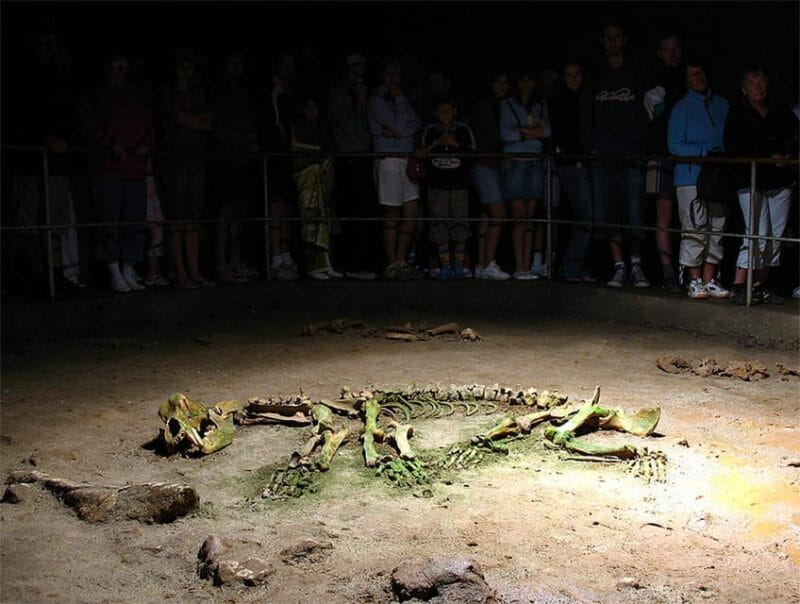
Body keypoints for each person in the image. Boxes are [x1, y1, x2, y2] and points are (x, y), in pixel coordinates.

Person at [580, 21, 651, 288]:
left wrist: (641, 146)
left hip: (632, 157)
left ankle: (637, 266)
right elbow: (584, 115)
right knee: (608, 215)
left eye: (617, 36)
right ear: (602, 41)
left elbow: (647, 112)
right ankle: (619, 267)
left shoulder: (636, 72)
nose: (612, 42)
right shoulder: (595, 74)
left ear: (624, 39)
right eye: (608, 37)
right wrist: (592, 147)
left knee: (636, 214)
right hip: (603, 157)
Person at [724, 67, 799, 305]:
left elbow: (795, 137)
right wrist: (767, 156)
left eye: (762, 82)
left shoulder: (781, 111)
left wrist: (787, 156)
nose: (758, 87)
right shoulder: (737, 114)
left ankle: (760, 284)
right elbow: (734, 146)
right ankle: (739, 284)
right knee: (756, 231)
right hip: (751, 179)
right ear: (744, 89)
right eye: (752, 83)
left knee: (775, 235)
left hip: (779, 181)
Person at [90, 51, 155, 293]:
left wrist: (147, 145)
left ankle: (128, 269)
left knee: (136, 220)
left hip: (135, 168)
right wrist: (109, 145)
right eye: (115, 63)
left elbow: (150, 126)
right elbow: (91, 126)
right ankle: (113, 270)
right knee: (110, 220)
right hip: (110, 167)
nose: (119, 68)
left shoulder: (136, 95)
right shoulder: (98, 93)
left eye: (123, 63)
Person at [667, 58, 730, 299]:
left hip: (718, 177)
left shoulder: (721, 104)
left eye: (701, 72)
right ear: (686, 80)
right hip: (691, 176)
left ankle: (709, 278)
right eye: (693, 74)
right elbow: (674, 144)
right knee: (695, 228)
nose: (698, 77)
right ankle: (693, 278)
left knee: (717, 226)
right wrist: (703, 153)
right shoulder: (681, 108)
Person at [159, 46, 216, 289]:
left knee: (193, 217)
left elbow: (210, 121)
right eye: (181, 66)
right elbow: (176, 117)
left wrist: (190, 120)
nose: (185, 71)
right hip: (175, 158)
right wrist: (196, 120)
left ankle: (194, 270)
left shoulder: (197, 93)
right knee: (177, 216)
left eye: (189, 66)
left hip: (195, 157)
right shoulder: (166, 92)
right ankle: (179, 271)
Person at [325, 52, 379, 280]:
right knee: (351, 212)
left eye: (361, 70)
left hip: (364, 159)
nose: (359, 75)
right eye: (354, 70)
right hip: (347, 159)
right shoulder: (337, 94)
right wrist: (359, 99)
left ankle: (362, 262)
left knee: (365, 212)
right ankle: (351, 264)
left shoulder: (367, 94)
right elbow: (347, 126)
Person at [367, 59, 422, 279]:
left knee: (411, 210)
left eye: (397, 74)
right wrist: (398, 127)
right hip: (388, 160)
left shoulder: (403, 100)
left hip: (407, 159)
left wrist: (399, 130)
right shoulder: (376, 100)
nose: (393, 79)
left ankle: (401, 260)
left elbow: (415, 124)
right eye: (389, 74)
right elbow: (400, 126)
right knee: (392, 212)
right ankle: (391, 263)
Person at [209, 49, 260, 284]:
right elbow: (218, 126)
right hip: (226, 160)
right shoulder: (218, 92)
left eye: (239, 63)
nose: (236, 67)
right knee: (225, 212)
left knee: (239, 213)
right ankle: (221, 264)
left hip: (243, 160)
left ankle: (236, 261)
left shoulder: (244, 93)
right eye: (232, 63)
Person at [499, 65, 551, 280]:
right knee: (519, 217)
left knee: (530, 219)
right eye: (522, 80)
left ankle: (526, 266)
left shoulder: (541, 105)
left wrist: (520, 131)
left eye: (529, 80)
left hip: (535, 164)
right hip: (515, 164)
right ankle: (520, 266)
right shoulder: (507, 104)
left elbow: (546, 131)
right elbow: (506, 134)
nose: (526, 84)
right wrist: (533, 132)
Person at [644, 32, 685, 292]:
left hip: (687, 159)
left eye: (676, 48)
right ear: (659, 54)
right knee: (664, 215)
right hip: (662, 155)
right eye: (666, 49)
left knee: (690, 216)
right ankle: (668, 272)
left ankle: (689, 271)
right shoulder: (655, 81)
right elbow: (653, 115)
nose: (672, 53)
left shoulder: (690, 79)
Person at [421, 96, 476, 279]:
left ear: (455, 112)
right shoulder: (430, 131)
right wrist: (437, 143)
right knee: (439, 226)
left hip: (459, 186)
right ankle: (444, 266)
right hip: (437, 187)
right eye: (441, 111)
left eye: (448, 111)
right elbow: (421, 152)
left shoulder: (463, 130)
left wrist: (456, 144)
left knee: (460, 225)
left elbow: (472, 153)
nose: (445, 115)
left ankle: (458, 266)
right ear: (435, 113)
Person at [551, 59, 596, 283]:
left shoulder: (587, 98)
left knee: (586, 217)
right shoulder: (560, 101)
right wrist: (576, 158)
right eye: (569, 74)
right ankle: (570, 267)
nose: (573, 78)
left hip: (587, 165)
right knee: (587, 217)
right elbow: (563, 134)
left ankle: (578, 266)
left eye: (577, 73)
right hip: (571, 166)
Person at [257, 51, 300, 280]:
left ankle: (285, 254)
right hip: (276, 159)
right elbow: (276, 126)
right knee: (276, 209)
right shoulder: (272, 96)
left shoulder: (289, 95)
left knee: (286, 210)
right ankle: (275, 258)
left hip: (288, 160)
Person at [291, 93, 341, 279]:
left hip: (321, 183)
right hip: (307, 181)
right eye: (309, 108)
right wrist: (316, 153)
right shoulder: (298, 128)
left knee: (323, 223)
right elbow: (296, 149)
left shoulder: (320, 129)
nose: (313, 112)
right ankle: (313, 266)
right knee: (310, 223)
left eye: (315, 108)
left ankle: (325, 264)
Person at [471, 67, 512, 280]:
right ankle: (488, 263)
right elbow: (495, 137)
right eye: (498, 82)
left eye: (505, 82)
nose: (502, 86)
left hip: (493, 166)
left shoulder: (500, 105)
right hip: (485, 165)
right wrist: (517, 135)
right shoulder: (486, 107)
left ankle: (481, 263)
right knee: (498, 214)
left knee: (487, 216)